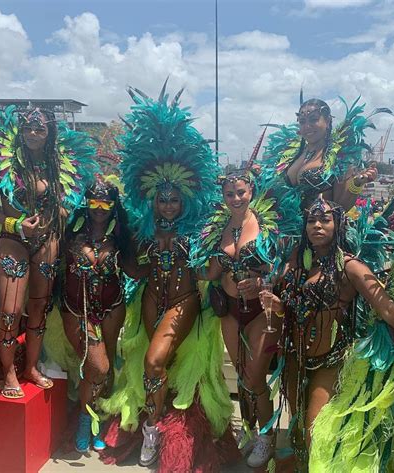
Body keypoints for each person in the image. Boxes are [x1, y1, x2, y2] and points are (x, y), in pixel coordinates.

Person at [99, 83, 234, 472]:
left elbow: (210, 268)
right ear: (153, 199)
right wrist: (123, 258)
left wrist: (198, 257)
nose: (168, 204)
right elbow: (135, 268)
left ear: (184, 200)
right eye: (162, 199)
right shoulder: (145, 230)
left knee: (156, 361)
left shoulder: (196, 231)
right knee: (152, 362)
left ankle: (153, 428)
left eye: (174, 199)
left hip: (184, 301)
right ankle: (157, 417)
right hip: (150, 299)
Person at [263, 197, 394, 471]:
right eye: (311, 221)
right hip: (294, 360)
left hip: (329, 361)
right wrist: (279, 307)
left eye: (325, 220)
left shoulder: (350, 267)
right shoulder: (298, 261)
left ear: (338, 225)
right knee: (297, 428)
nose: (317, 226)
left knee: (316, 435)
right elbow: (297, 308)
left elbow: (387, 308)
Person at [0, 106, 96, 398]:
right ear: (20, 130)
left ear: (49, 133)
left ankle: (30, 367)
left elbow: (70, 200)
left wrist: (58, 216)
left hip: (47, 242)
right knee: (10, 311)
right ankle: (8, 372)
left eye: (39, 129)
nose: (32, 134)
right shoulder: (5, 163)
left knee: (40, 308)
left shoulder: (58, 166)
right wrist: (14, 223)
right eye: (28, 128)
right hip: (13, 242)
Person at [192, 168, 298, 469]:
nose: (236, 198)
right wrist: (183, 264)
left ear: (251, 191)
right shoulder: (218, 227)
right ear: (223, 196)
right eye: (229, 194)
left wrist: (264, 283)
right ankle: (251, 430)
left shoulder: (268, 224)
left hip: (262, 312)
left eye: (241, 192)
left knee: (254, 376)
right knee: (242, 376)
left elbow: (285, 264)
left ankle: (266, 437)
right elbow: (212, 272)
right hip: (229, 309)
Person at [60, 179, 136, 453]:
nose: (100, 208)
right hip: (76, 309)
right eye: (94, 201)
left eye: (106, 202)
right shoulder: (71, 230)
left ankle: (100, 421)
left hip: (112, 306)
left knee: (107, 368)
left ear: (114, 205)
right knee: (98, 366)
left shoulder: (121, 235)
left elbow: (135, 270)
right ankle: (84, 419)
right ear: (86, 202)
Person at [263, 96, 391, 210]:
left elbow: (341, 205)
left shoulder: (340, 154)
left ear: (328, 121)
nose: (307, 126)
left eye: (313, 120)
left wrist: (357, 183)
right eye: (302, 121)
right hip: (287, 232)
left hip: (318, 231)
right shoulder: (290, 153)